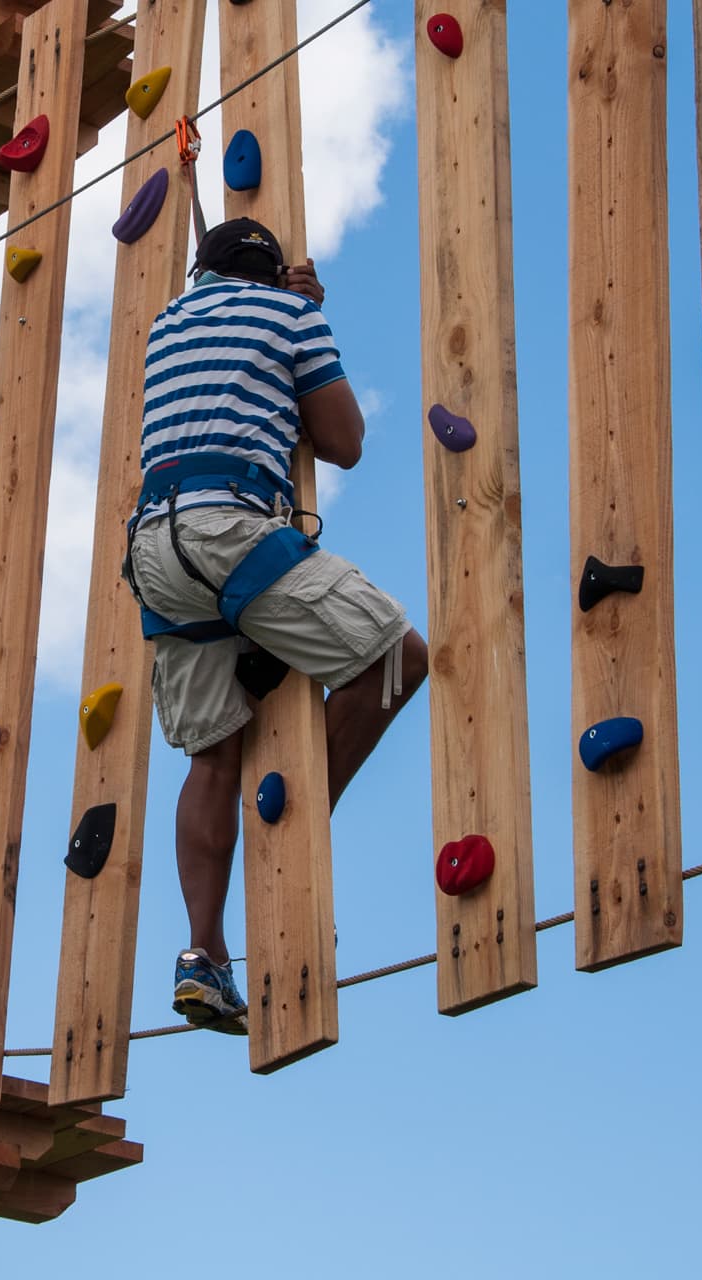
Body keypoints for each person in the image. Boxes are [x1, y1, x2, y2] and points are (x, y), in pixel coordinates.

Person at [124, 218, 428, 1034]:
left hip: (156, 545)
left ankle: (203, 957)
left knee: (214, 756)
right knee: (395, 657)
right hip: (234, 527)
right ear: (272, 278)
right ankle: (287, 846)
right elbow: (344, 442)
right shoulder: (291, 315)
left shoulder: (168, 323)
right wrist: (312, 315)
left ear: (203, 272)